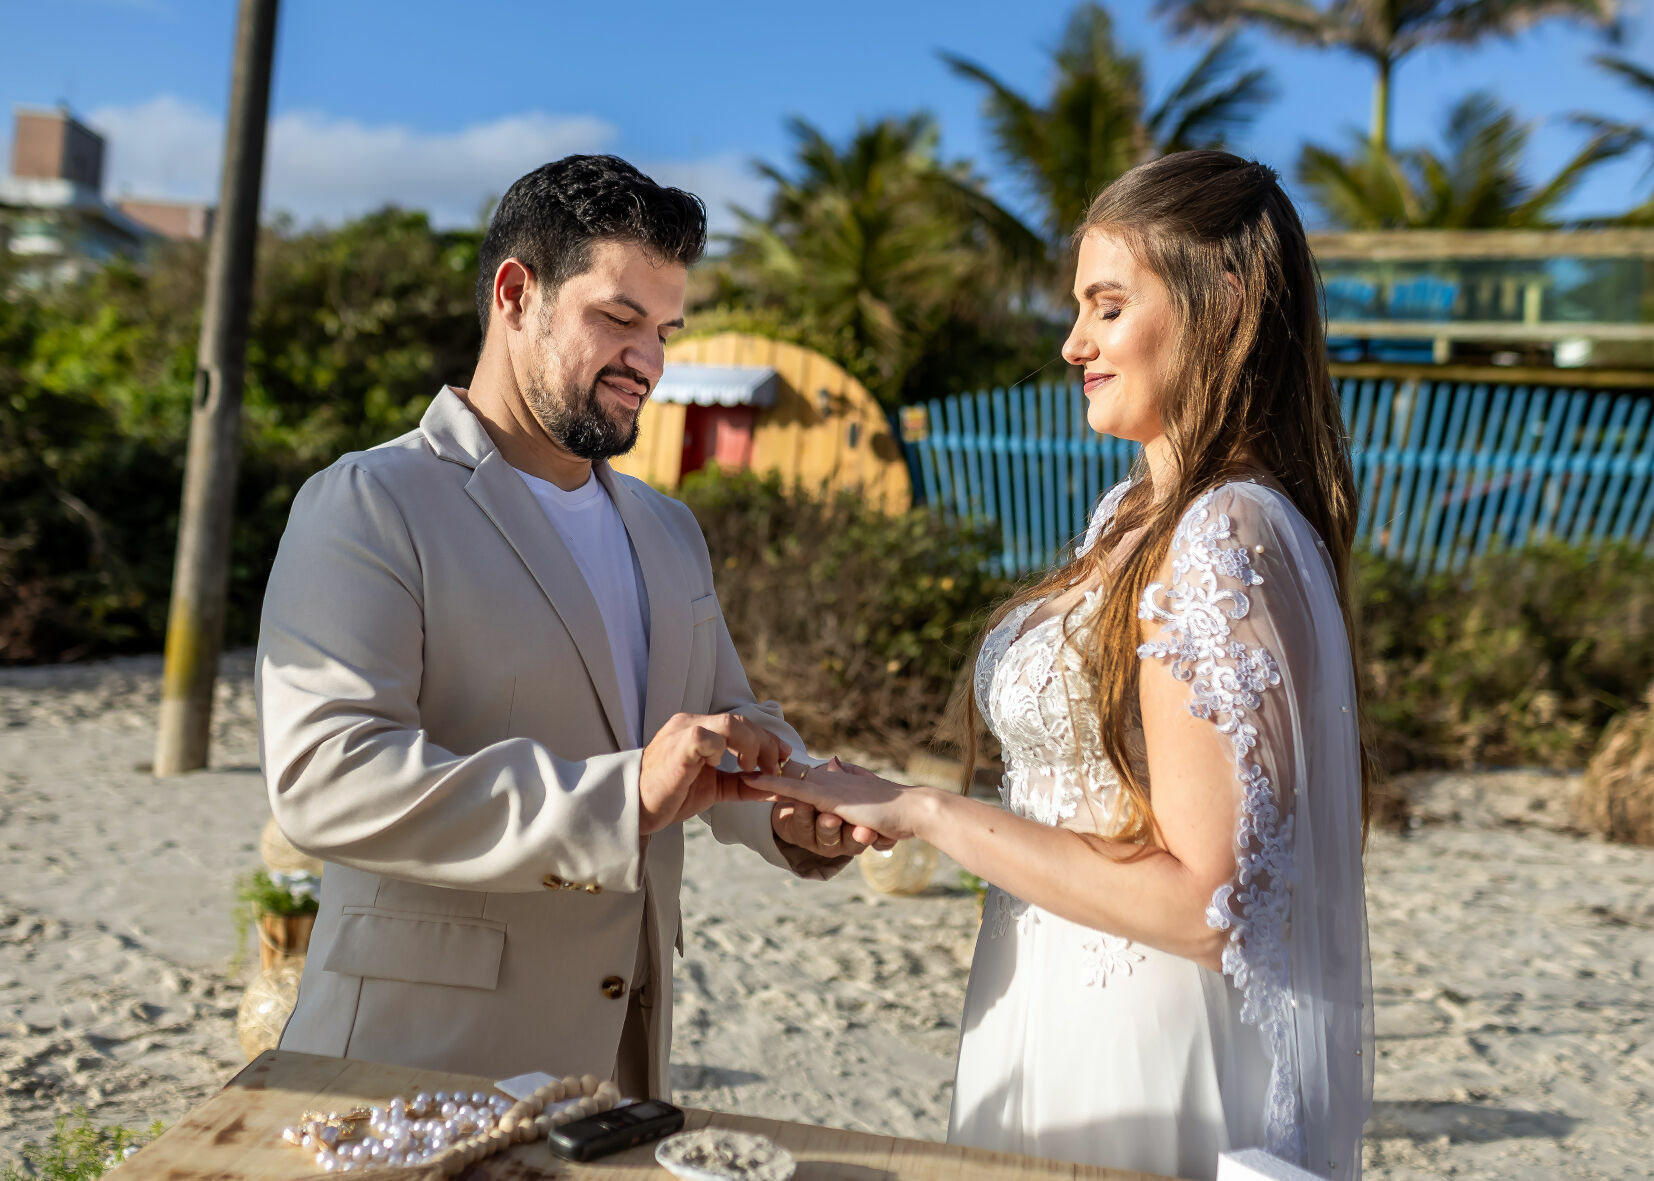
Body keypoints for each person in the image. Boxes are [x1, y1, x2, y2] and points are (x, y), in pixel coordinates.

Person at [744, 151, 1373, 1180]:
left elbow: (1200, 902)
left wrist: (923, 811)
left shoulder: (1224, 536)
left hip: (1141, 1036)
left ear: (1230, 300)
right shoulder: (1129, 515)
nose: (1074, 341)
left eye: (1108, 305)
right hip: (1045, 982)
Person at [256, 155, 877, 1100]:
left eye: (665, 330)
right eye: (619, 319)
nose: (650, 362)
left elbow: (725, 724)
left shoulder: (669, 528)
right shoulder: (369, 502)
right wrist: (621, 796)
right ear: (516, 294)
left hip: (622, 1056)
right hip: (408, 1066)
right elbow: (324, 776)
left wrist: (788, 812)